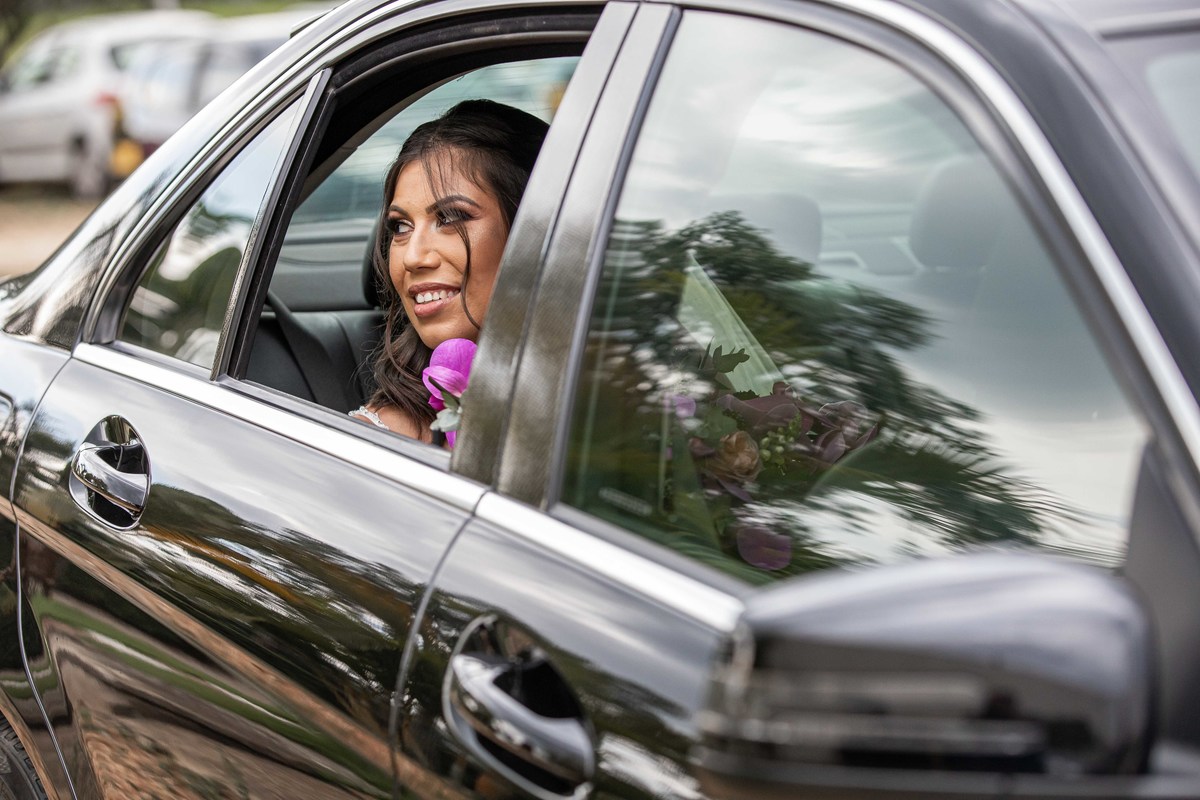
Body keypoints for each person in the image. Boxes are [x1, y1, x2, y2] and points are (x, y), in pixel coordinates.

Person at [350, 99, 549, 441]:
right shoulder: (374, 441)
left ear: (531, 232)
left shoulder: (623, 394)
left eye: (451, 218)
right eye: (400, 227)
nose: (413, 257)